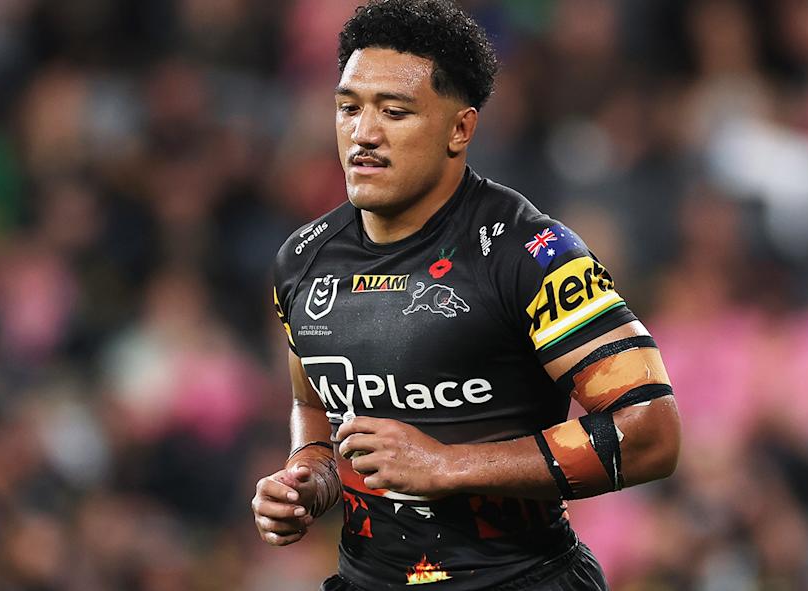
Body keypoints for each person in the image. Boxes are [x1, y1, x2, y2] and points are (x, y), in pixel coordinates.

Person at [251, 1, 681, 589]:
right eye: (349, 108)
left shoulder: (532, 255)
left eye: (394, 112)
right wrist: (310, 473)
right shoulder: (302, 261)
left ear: (460, 129)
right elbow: (315, 406)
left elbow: (652, 431)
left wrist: (447, 465)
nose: (363, 134)